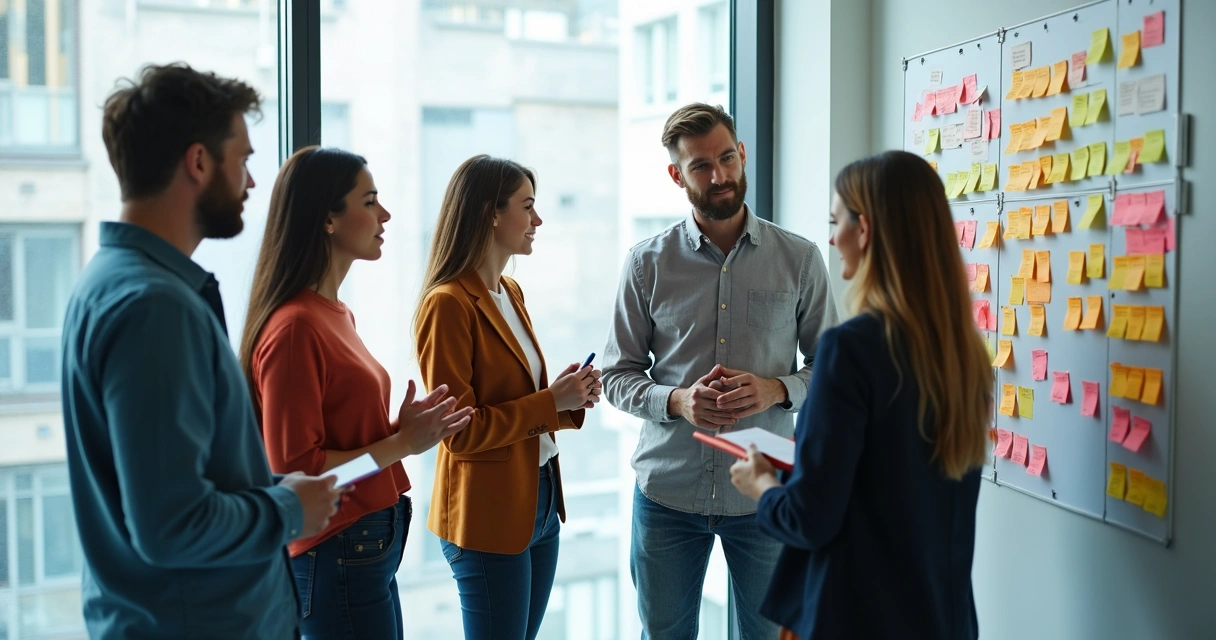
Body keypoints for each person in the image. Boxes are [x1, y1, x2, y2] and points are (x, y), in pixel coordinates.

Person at [59, 63, 345, 639]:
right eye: (242, 159)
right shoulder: (153, 308)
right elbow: (171, 524)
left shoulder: (108, 281)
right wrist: (290, 510)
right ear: (197, 162)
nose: (251, 182)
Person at [729, 150, 993, 640]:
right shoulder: (966, 356)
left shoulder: (851, 349)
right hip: (944, 618)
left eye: (837, 221)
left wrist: (761, 486)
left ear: (865, 229)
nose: (832, 238)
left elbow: (810, 520)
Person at [601, 102, 838, 639]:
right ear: (676, 175)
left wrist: (778, 388)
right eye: (701, 166)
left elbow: (831, 370)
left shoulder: (799, 259)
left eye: (727, 158)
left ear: (743, 154)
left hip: (765, 492)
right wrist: (676, 401)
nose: (720, 175)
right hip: (667, 492)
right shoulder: (646, 263)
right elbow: (617, 375)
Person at [239, 146, 474, 639]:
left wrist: (398, 430)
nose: (384, 215)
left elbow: (338, 444)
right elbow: (300, 471)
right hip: (337, 548)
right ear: (327, 219)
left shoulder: (335, 312)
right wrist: (401, 444)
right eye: (369, 202)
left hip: (365, 546)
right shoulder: (295, 326)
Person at [414, 154, 602, 639]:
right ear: (490, 213)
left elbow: (519, 402)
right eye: (528, 206)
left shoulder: (509, 291)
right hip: (488, 516)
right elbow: (461, 432)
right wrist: (549, 402)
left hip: (538, 504)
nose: (538, 220)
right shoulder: (447, 304)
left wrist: (568, 398)